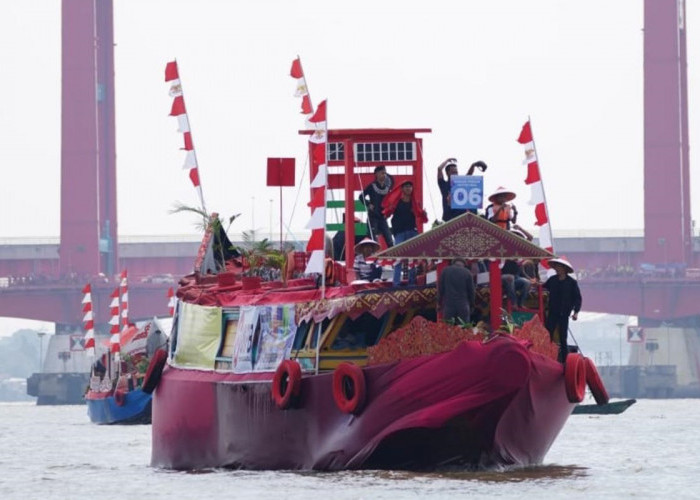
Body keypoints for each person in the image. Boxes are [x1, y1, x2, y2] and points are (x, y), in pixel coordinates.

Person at [382, 180, 428, 285]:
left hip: (412, 231)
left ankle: (412, 282)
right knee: (398, 258)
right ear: (402, 189)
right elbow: (387, 213)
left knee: (413, 258)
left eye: (410, 187)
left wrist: (423, 213)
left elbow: (421, 215)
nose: (408, 188)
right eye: (406, 187)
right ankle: (396, 284)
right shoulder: (396, 201)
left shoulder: (415, 202)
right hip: (400, 233)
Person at [543, 257, 582, 363]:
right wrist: (536, 284)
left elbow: (577, 298)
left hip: (564, 313)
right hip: (553, 311)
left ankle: (565, 361)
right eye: (556, 267)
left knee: (563, 337)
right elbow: (543, 287)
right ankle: (546, 356)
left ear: (564, 269)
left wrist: (576, 312)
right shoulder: (552, 280)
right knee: (547, 333)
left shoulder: (571, 282)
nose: (557, 269)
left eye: (559, 267)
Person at [359, 165, 394, 247]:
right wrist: (368, 204)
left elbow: (390, 201)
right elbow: (361, 197)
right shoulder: (372, 186)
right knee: (372, 239)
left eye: (385, 173)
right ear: (376, 174)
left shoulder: (387, 188)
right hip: (373, 216)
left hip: (382, 217)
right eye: (382, 173)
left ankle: (392, 257)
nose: (384, 175)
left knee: (389, 238)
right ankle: (373, 257)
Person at [438, 258, 476, 324]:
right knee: (464, 328)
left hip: (448, 305)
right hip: (463, 305)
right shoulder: (467, 273)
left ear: (454, 263)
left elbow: (441, 288)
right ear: (464, 264)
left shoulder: (445, 271)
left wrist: (438, 303)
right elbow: (471, 292)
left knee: (447, 328)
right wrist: (472, 305)